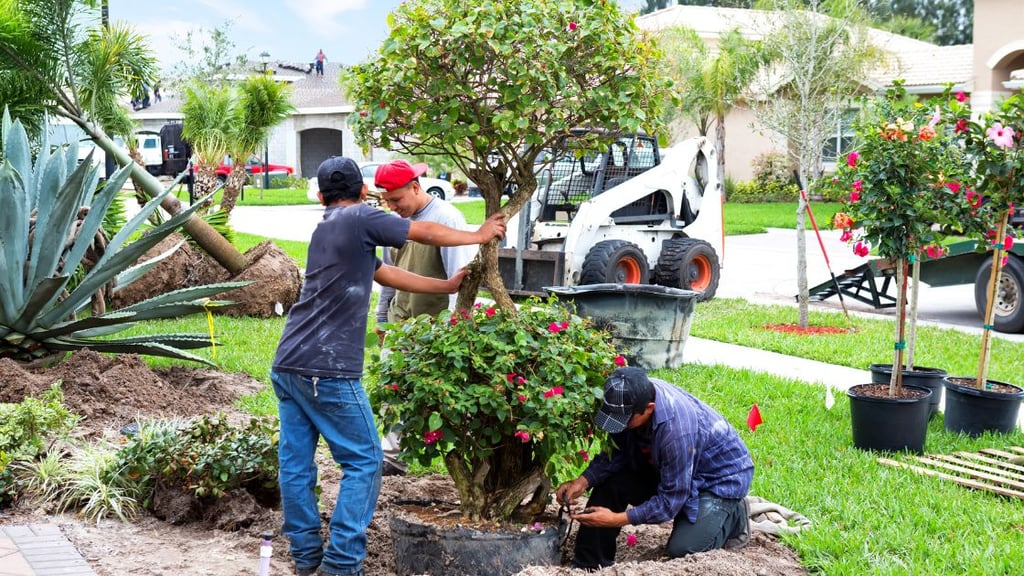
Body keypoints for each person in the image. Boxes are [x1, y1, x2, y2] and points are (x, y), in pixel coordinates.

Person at [271, 156, 506, 576]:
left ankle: (307, 557)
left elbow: (384, 273)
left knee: (295, 464)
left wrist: (446, 286)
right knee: (365, 460)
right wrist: (479, 232)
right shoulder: (361, 217)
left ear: (323, 196)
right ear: (364, 193)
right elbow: (425, 231)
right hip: (327, 368)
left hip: (289, 363)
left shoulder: (326, 227)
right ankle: (341, 565)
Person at [555, 366, 754, 571]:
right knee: (611, 482)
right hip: (674, 468)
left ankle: (734, 514)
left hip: (718, 479)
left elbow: (671, 500)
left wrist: (616, 520)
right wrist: (582, 481)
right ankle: (589, 563)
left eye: (624, 421)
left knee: (683, 548)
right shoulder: (629, 400)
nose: (618, 426)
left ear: (649, 408)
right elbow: (617, 453)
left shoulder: (675, 432)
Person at [372, 159, 476, 476]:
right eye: (386, 201)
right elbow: (388, 275)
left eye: (396, 200)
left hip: (436, 328)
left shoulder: (447, 219)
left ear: (415, 188)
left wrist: (454, 330)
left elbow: (461, 282)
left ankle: (468, 458)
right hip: (401, 322)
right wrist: (381, 318)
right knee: (393, 389)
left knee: (446, 399)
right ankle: (391, 458)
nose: (392, 207)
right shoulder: (394, 225)